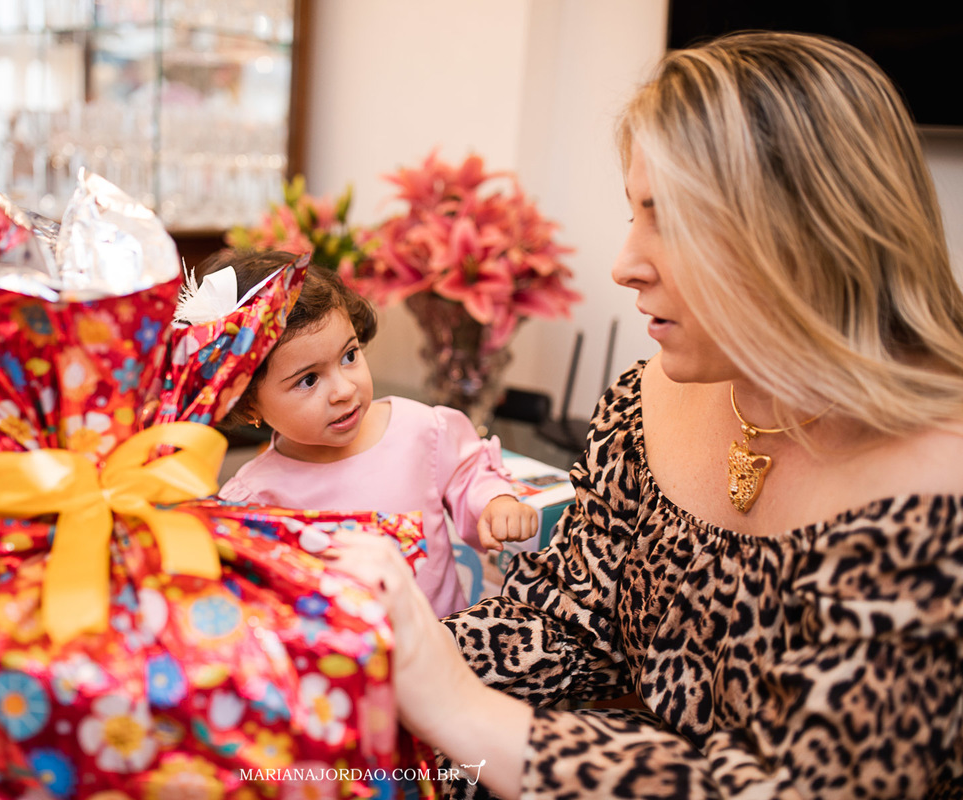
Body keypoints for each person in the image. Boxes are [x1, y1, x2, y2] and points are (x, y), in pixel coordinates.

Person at [323, 31, 963, 799]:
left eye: (674, 220)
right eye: (634, 213)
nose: (625, 264)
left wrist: (459, 709)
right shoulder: (645, 398)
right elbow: (565, 625)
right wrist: (350, 660)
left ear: (812, 233)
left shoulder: (940, 492)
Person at [199, 249, 540, 617]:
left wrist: (495, 503)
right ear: (247, 403)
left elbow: (467, 473)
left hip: (447, 638)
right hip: (345, 650)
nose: (345, 390)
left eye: (349, 356)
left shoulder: (419, 429)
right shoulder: (255, 500)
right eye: (308, 380)